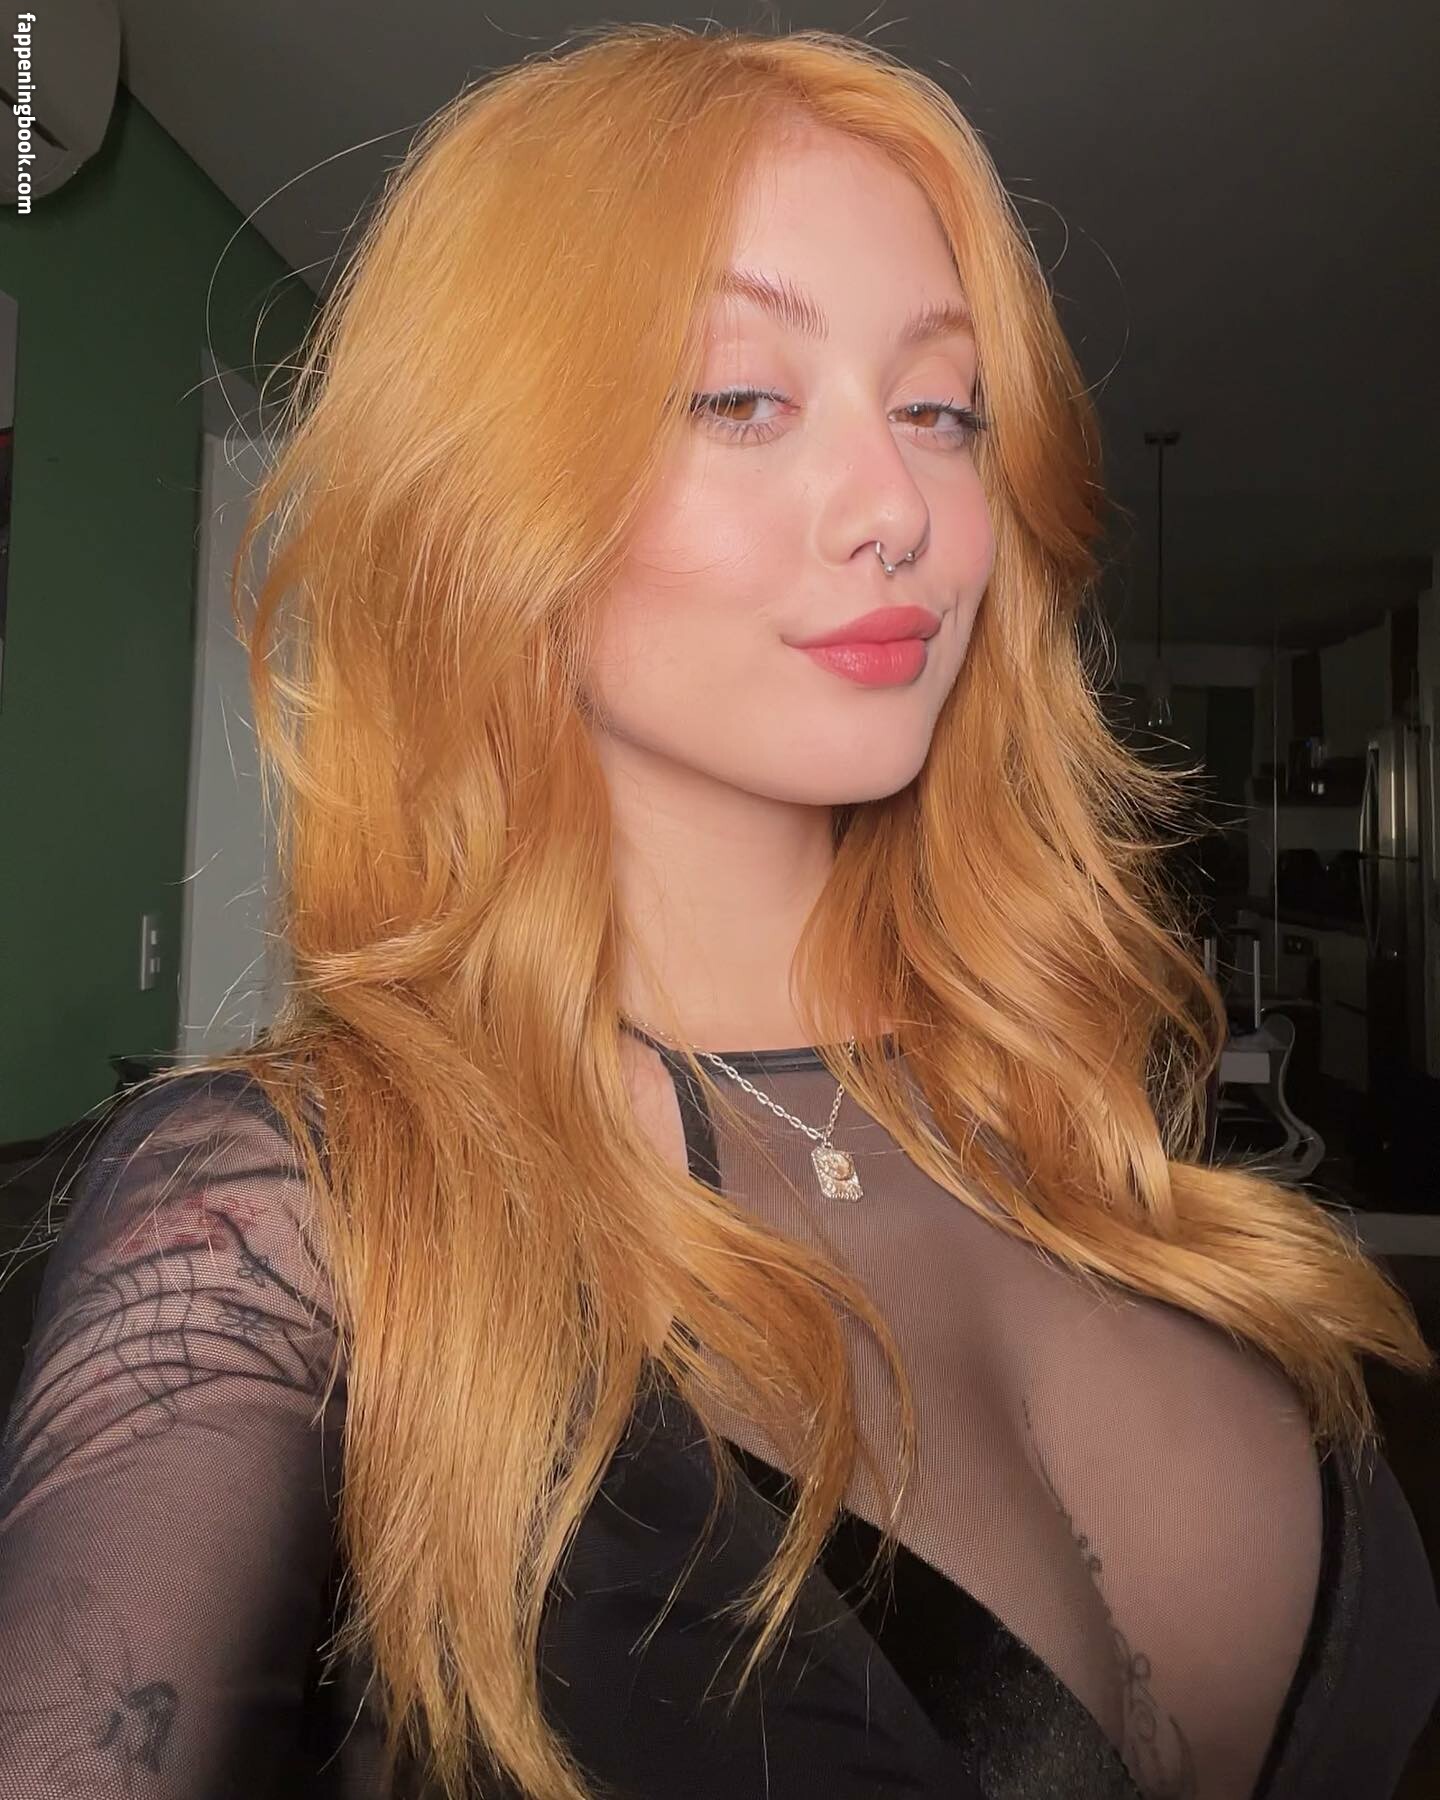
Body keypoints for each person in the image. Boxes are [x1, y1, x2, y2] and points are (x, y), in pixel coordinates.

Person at [0, 23, 1436, 1800]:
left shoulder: (1074, 1102)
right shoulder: (286, 1228)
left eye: (942, 409)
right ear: (490, 491)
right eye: (742, 398)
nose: (899, 508)